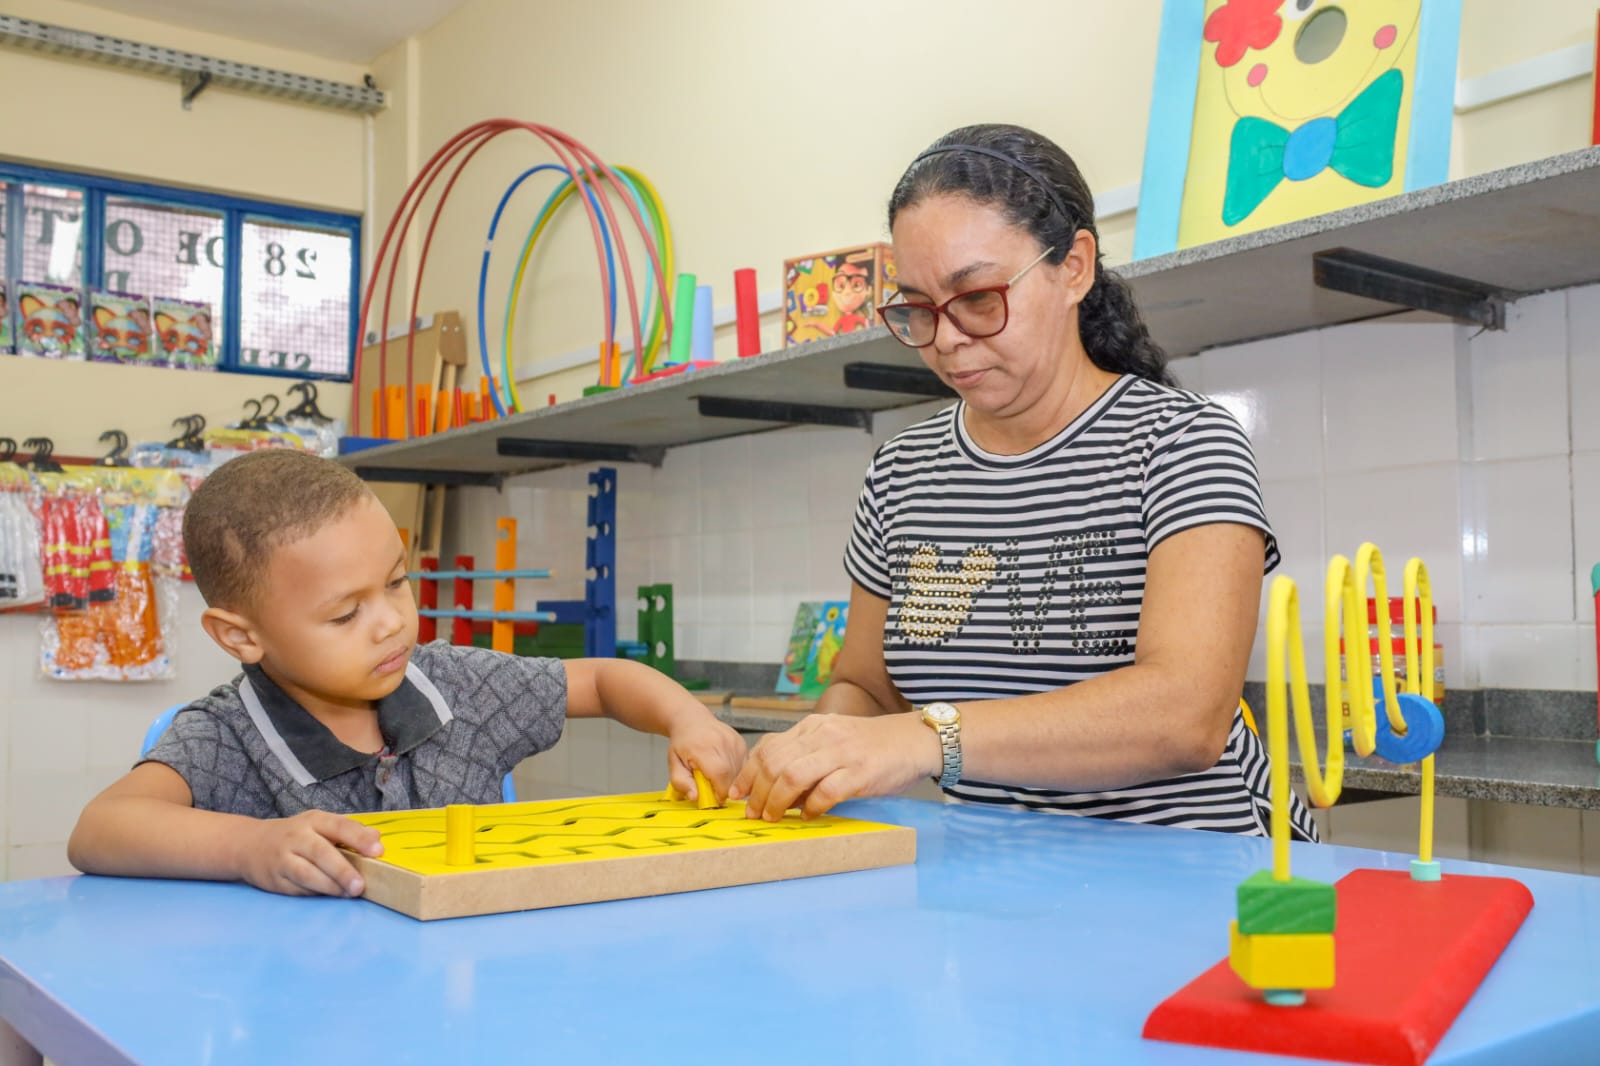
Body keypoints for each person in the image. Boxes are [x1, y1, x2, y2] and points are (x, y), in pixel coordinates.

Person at [731, 123, 1316, 841]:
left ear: (1074, 268)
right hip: (997, 870)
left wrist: (925, 738)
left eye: (978, 297)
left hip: (1199, 868)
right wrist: (816, 757)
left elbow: (1184, 717)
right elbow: (867, 687)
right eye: (917, 308)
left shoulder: (1181, 442)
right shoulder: (902, 471)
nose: (947, 339)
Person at [69, 449, 746, 898]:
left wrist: (687, 719)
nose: (392, 622)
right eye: (345, 614)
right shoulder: (227, 734)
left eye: (396, 582)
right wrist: (251, 847)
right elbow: (100, 828)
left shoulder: (456, 685)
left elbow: (601, 681)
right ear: (241, 636)